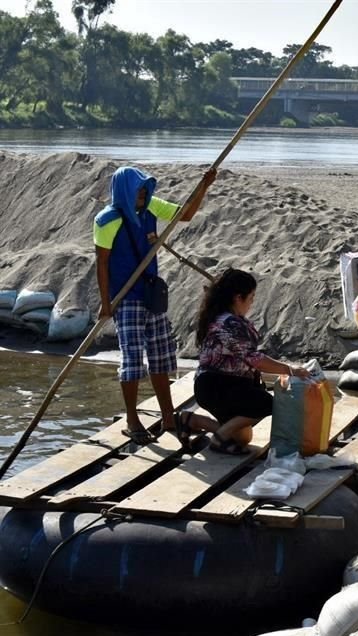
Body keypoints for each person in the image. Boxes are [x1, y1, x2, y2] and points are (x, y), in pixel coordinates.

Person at [94, 166, 216, 445]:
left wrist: (204, 186)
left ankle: (169, 418)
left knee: (161, 357)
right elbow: (101, 263)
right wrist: (106, 304)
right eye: (138, 190)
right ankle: (132, 419)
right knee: (133, 361)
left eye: (145, 190)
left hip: (152, 296)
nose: (143, 194)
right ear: (125, 190)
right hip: (127, 298)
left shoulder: (151, 206)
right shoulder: (107, 220)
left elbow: (185, 214)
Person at [194, 268, 311, 454]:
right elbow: (255, 359)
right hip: (217, 386)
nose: (252, 303)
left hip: (220, 385)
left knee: (243, 438)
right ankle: (219, 439)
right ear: (238, 298)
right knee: (267, 404)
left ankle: (192, 421)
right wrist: (290, 370)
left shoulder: (223, 317)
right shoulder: (230, 323)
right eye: (251, 298)